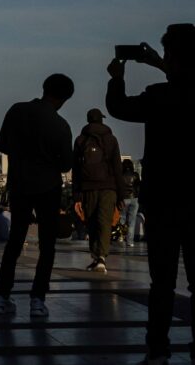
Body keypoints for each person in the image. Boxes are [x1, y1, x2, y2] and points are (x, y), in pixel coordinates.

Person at [106, 23, 195, 364]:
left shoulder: (158, 96)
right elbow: (192, 84)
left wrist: (117, 75)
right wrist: (162, 63)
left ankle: (158, 350)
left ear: (171, 55)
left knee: (162, 282)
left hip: (162, 199)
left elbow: (118, 107)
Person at [0, 73, 74, 318]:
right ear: (65, 98)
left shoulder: (17, 110)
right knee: (47, 246)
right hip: (48, 186)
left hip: (19, 183)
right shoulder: (61, 125)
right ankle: (38, 299)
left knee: (15, 242)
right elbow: (66, 165)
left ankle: (1, 296)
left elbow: (2, 146)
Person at [72, 108, 124, 273]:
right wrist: (121, 195)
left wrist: (77, 196)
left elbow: (77, 170)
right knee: (105, 221)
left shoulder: (80, 140)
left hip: (88, 187)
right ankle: (101, 257)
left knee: (92, 221)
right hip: (108, 186)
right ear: (101, 120)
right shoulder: (111, 140)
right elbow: (117, 167)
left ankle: (96, 256)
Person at [121, 159, 142, 246]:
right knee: (132, 221)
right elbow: (139, 186)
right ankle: (130, 242)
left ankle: (121, 237)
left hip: (124, 199)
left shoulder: (121, 175)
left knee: (122, 218)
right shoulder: (136, 175)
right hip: (134, 199)